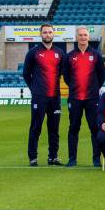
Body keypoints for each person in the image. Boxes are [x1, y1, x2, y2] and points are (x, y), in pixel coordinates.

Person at [23, 24, 66, 166]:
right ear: (41, 34)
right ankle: (33, 157)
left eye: (50, 32)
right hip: (39, 97)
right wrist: (35, 89)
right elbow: (26, 74)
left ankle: (53, 157)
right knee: (36, 127)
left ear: (53, 34)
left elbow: (61, 73)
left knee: (54, 128)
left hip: (55, 97)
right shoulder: (33, 52)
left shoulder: (60, 53)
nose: (47, 34)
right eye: (45, 32)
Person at [63, 26, 105, 167]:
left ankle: (96, 159)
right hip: (75, 98)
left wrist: (93, 88)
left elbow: (101, 76)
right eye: (80, 35)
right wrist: (75, 87)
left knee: (95, 128)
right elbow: (67, 77)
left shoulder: (96, 55)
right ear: (76, 37)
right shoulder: (69, 56)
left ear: (88, 37)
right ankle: (72, 159)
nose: (82, 37)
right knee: (74, 128)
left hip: (92, 98)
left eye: (85, 35)